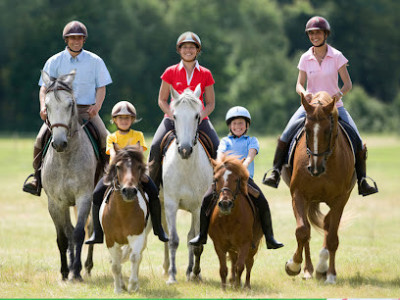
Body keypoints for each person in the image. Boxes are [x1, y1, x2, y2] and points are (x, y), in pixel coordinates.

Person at [262, 16, 378, 197]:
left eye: (318, 33)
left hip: (334, 107)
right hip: (310, 108)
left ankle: (362, 181)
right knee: (285, 135)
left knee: (358, 140)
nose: (314, 36)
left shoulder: (337, 56)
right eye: (311, 33)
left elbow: (348, 84)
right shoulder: (305, 58)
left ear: (325, 34)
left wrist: (338, 95)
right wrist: (304, 93)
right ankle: (275, 172)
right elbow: (299, 84)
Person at [23, 20, 112, 196]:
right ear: (66, 40)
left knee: (105, 139)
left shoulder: (95, 61)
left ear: (84, 40)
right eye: (72, 38)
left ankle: (109, 176)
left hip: (86, 110)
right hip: (59, 112)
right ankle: (37, 178)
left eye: (79, 38)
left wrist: (97, 106)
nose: (76, 41)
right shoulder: (54, 61)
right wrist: (43, 107)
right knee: (40, 139)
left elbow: (101, 87)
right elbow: (44, 88)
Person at [190, 106, 284, 249]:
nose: (237, 126)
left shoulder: (252, 141)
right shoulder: (225, 142)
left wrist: (243, 166)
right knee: (206, 199)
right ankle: (202, 235)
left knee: (262, 201)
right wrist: (221, 165)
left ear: (247, 125)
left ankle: (269, 237)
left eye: (241, 123)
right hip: (225, 179)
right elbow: (220, 156)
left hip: (244, 178)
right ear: (230, 126)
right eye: (234, 123)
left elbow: (250, 156)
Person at [85, 101, 168, 244]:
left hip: (135, 172)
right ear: (115, 120)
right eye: (120, 118)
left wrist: (123, 155)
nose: (124, 121)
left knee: (154, 193)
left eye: (127, 118)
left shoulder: (138, 135)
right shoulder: (111, 137)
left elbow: (139, 155)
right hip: (116, 171)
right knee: (97, 194)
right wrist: (124, 156)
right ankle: (97, 233)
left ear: (133, 120)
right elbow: (112, 155)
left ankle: (158, 228)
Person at [148, 31, 220, 188]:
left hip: (199, 119)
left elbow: (210, 103)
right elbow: (162, 99)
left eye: (192, 47)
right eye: (185, 47)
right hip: (173, 118)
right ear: (179, 50)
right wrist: (172, 115)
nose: (188, 50)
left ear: (198, 50)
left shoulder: (206, 73)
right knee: (155, 146)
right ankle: (151, 189)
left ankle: (218, 188)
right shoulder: (170, 72)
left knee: (217, 147)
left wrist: (200, 116)